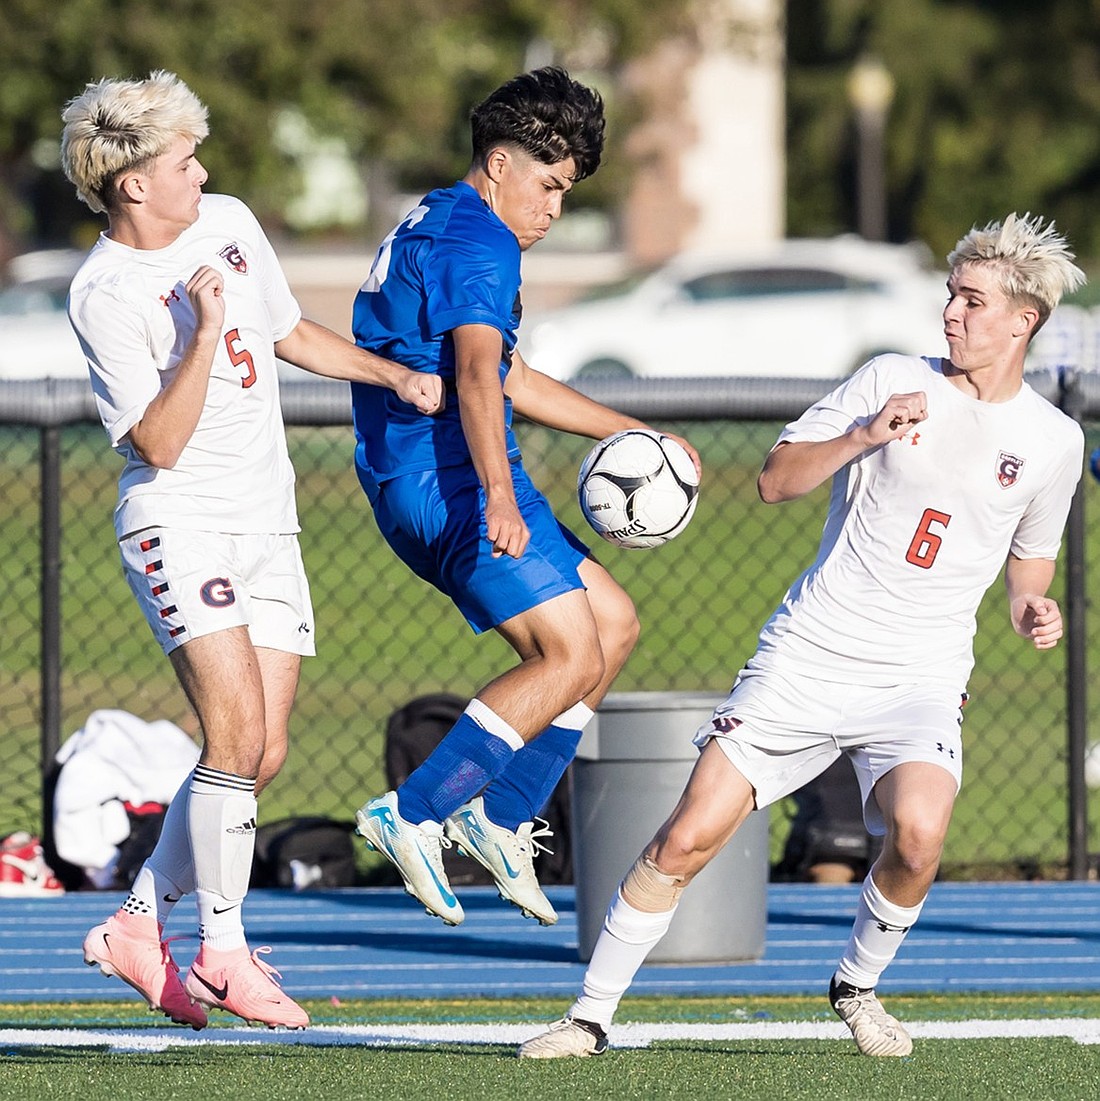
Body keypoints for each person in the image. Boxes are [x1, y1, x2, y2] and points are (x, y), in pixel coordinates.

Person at [517, 211, 1086, 1059]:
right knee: (687, 835)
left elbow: (1028, 569)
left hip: (921, 673)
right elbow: (775, 480)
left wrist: (1033, 609)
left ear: (1021, 320)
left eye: (971, 301)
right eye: (950, 295)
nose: (952, 314)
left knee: (921, 834)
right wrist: (862, 436)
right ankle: (589, 1016)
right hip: (810, 655)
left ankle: (856, 985)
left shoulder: (1054, 440)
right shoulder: (891, 377)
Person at [61, 70, 442, 1031]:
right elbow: (156, 443)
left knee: (262, 750)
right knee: (231, 738)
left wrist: (392, 373)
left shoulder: (226, 217)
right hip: (178, 521)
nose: (201, 171)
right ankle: (223, 951)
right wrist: (200, 336)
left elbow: (287, 331)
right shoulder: (104, 290)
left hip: (269, 519)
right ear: (134, 183)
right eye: (182, 161)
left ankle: (137, 923)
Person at [349, 66, 700, 928]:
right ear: (499, 163)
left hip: (442, 470)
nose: (552, 210)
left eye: (567, 194)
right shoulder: (481, 241)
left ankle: (502, 816)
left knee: (613, 624)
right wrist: (499, 497)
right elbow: (474, 375)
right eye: (546, 186)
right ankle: (417, 809)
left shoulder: (441, 213)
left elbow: (510, 375)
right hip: (449, 479)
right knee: (569, 656)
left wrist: (634, 434)